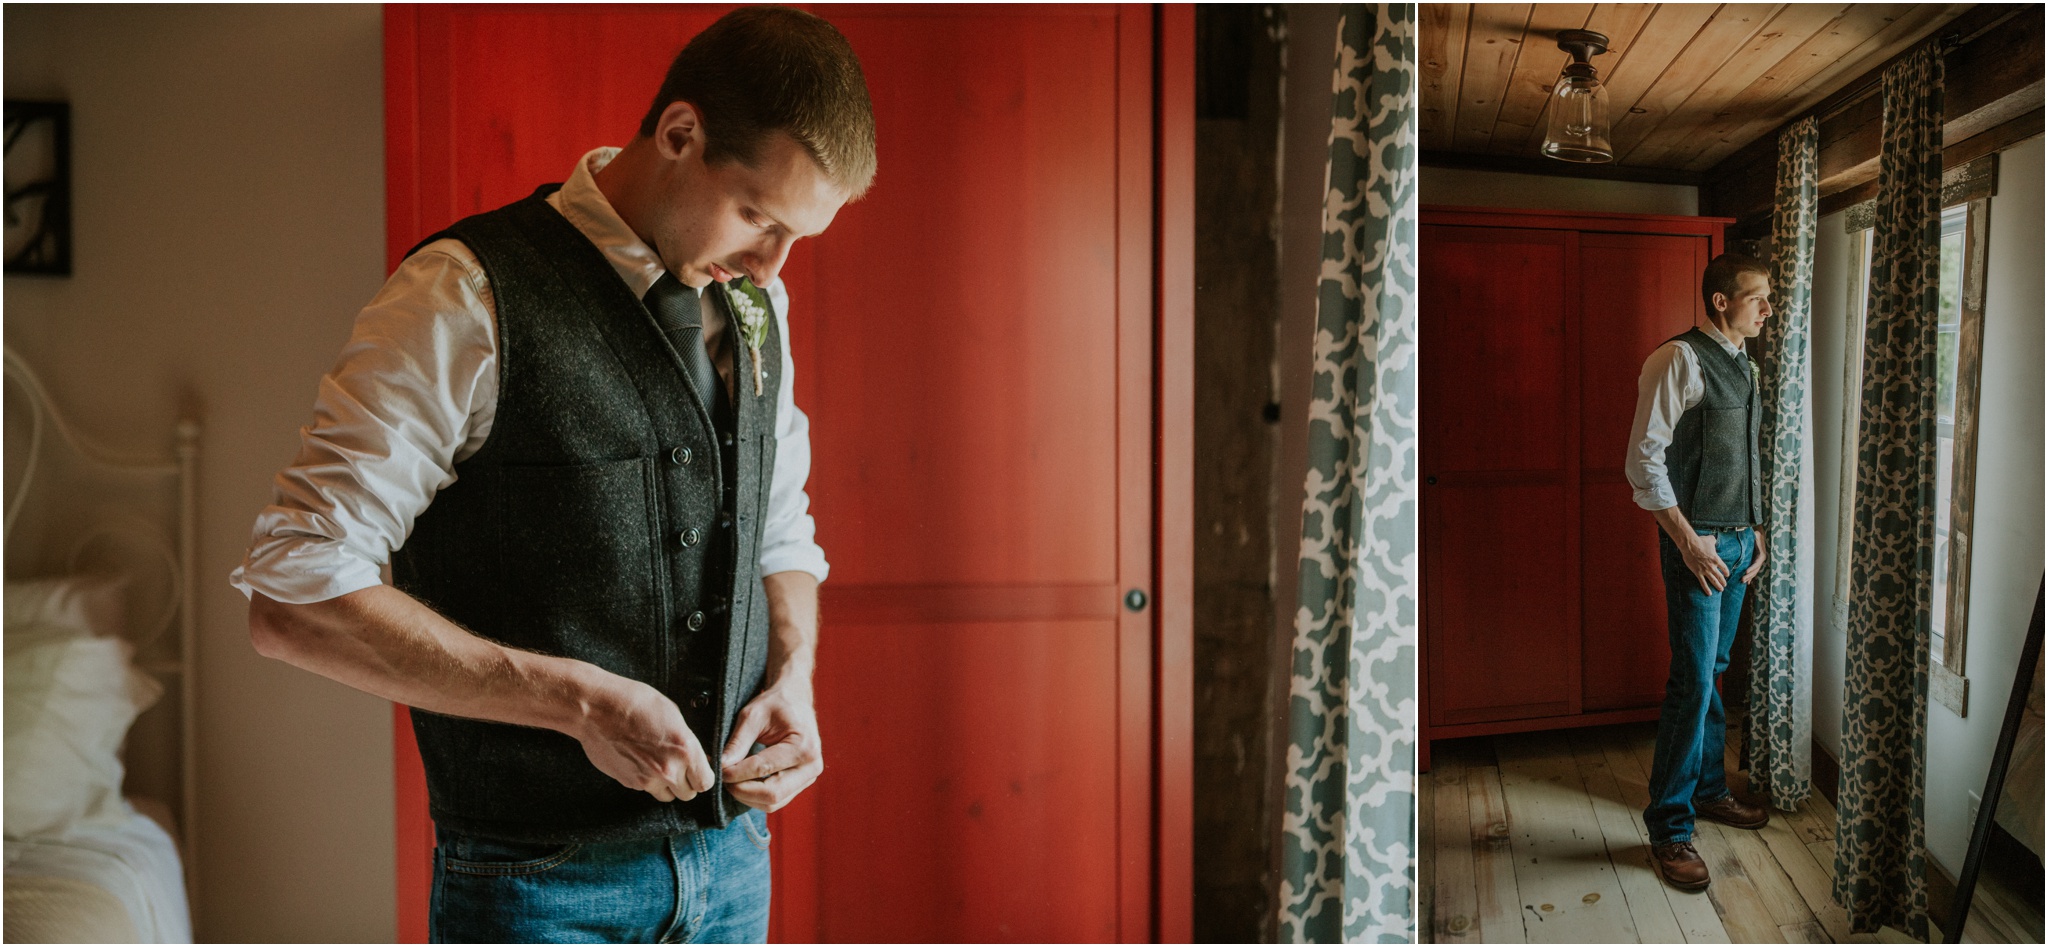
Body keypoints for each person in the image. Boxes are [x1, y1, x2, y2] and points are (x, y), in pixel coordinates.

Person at [229, 7, 875, 941]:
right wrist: (573, 701)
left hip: (735, 867)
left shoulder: (755, 299)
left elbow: (778, 526)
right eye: (758, 217)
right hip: (538, 888)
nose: (773, 267)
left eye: (796, 238)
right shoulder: (463, 293)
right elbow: (293, 592)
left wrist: (797, 674)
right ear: (680, 132)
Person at [1623, 251, 1774, 891]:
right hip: (1701, 547)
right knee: (1692, 679)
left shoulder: (1748, 367)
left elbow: (1746, 457)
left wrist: (1758, 530)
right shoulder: (1678, 360)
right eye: (1756, 296)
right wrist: (1689, 542)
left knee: (1713, 671)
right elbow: (1642, 464)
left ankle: (1710, 789)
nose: (1768, 307)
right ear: (1720, 300)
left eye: (1769, 296)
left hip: (1739, 546)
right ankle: (1669, 827)